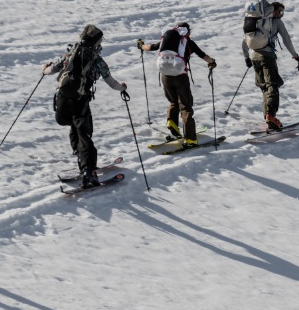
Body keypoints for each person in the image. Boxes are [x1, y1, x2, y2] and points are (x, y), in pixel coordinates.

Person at [46, 24, 128, 187]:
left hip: (62, 98)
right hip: (80, 99)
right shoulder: (97, 60)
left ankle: (80, 156)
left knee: (73, 126)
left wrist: (44, 69)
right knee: (84, 132)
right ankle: (88, 170)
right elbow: (111, 82)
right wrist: (122, 87)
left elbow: (50, 70)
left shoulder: (70, 54)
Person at [138, 21, 217, 145]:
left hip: (165, 76)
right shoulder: (188, 43)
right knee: (186, 106)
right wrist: (212, 62)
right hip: (180, 77)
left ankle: (172, 122)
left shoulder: (167, 40)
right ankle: (190, 138)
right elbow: (203, 56)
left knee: (173, 101)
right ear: (187, 32)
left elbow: (151, 47)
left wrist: (141, 45)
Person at [241, 0, 299, 131]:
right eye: (280, 11)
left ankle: (268, 117)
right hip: (267, 56)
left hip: (254, 56)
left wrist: (247, 58)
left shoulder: (258, 22)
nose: (281, 14)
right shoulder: (275, 22)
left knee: (265, 87)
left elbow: (245, 40)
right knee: (272, 85)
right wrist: (295, 56)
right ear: (273, 11)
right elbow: (286, 39)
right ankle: (271, 116)